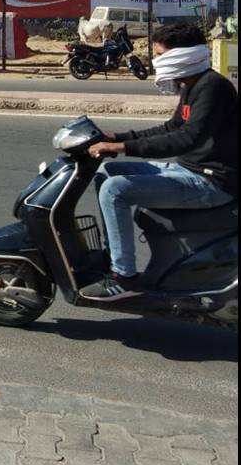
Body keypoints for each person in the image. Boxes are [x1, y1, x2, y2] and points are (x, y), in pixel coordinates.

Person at [81, 22, 238, 301]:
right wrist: (116, 136)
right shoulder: (193, 84)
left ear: (182, 55)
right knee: (106, 171)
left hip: (210, 181)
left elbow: (186, 139)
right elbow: (171, 127)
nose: (156, 61)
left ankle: (123, 276)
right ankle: (113, 256)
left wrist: (124, 146)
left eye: (161, 54)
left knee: (115, 189)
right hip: (188, 170)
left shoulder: (213, 87)